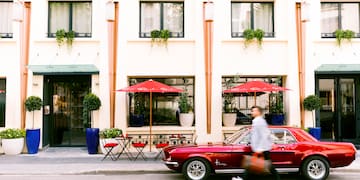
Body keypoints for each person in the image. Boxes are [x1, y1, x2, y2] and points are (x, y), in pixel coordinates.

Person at [233, 106, 280, 180]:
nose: (252, 112)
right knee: (264, 166)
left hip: (261, 148)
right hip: (260, 148)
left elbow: (264, 134)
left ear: (258, 112)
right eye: (252, 111)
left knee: (253, 164)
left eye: (254, 111)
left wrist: (260, 148)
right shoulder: (257, 121)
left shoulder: (259, 121)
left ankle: (242, 178)